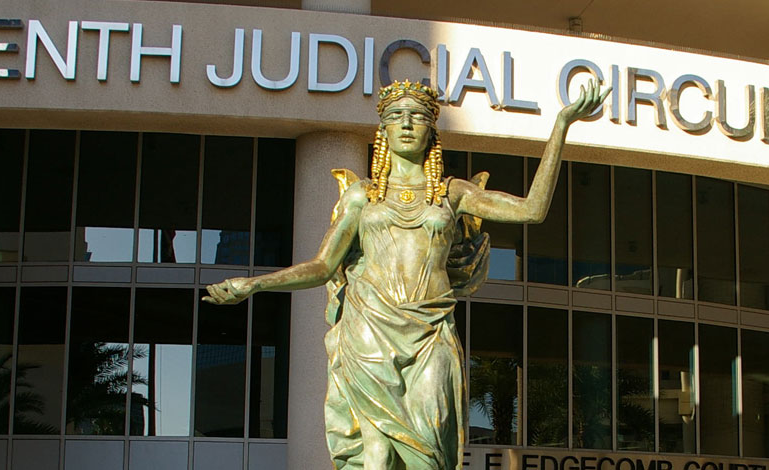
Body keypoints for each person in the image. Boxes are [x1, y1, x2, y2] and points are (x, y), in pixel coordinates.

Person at [202, 79, 608, 470]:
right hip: (369, 327)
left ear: (432, 131)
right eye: (396, 116)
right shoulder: (362, 196)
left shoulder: (452, 193)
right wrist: (255, 284)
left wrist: (561, 125)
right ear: (384, 130)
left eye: (418, 116)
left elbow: (531, 210)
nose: (408, 123)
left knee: (429, 449)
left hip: (431, 329)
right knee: (376, 453)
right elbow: (322, 266)